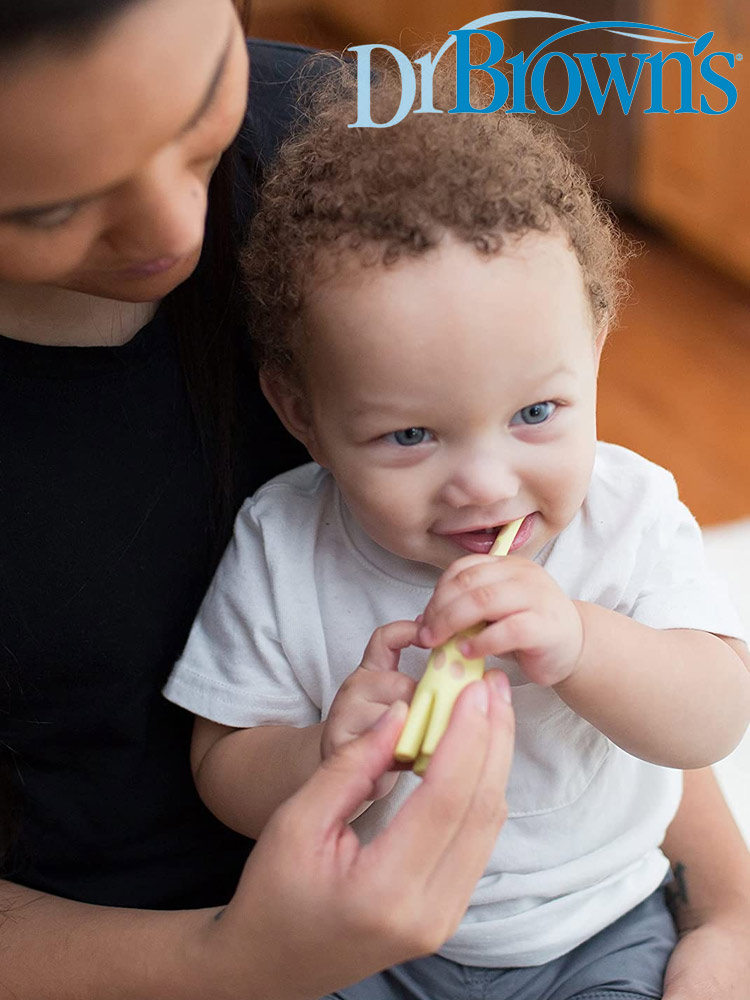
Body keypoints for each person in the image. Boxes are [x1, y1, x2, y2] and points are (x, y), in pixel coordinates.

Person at [0, 0, 747, 997]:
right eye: (48, 206)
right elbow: (228, 758)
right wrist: (323, 755)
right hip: (338, 954)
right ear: (300, 411)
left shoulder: (616, 503)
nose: (182, 229)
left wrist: (587, 650)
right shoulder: (286, 539)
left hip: (599, 931)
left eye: (197, 116)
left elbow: (706, 714)